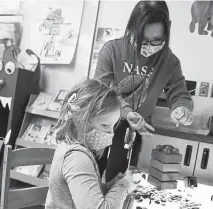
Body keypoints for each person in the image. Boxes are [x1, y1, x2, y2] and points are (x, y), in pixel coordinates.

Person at [94, 0, 194, 183]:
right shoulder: (112, 50)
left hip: (133, 128)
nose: (149, 46)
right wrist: (126, 111)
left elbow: (179, 93)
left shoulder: (169, 61)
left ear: (167, 29)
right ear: (131, 28)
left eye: (157, 39)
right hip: (102, 120)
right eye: (142, 39)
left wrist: (181, 108)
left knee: (118, 179)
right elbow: (103, 92)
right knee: (90, 174)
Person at [45, 79, 137, 209]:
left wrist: (111, 186)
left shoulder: (72, 148)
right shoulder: (77, 158)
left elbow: (85, 195)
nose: (111, 133)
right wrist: (124, 186)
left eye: (113, 127)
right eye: (105, 125)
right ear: (79, 119)